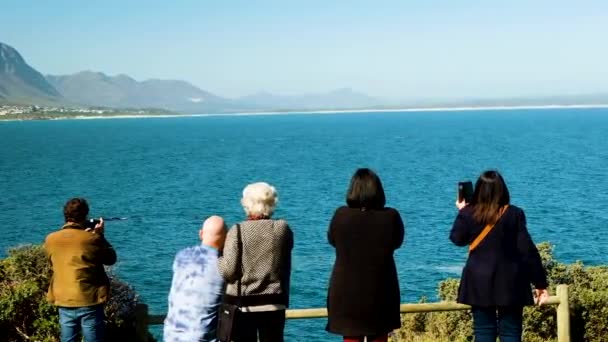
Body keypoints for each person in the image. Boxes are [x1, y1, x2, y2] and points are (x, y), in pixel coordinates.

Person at [450, 170, 549, 342]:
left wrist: (462, 211)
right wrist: (540, 283)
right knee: (511, 332)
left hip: (478, 281)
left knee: (482, 331)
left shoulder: (468, 213)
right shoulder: (514, 214)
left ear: (478, 190)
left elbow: (457, 239)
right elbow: (527, 251)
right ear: (502, 190)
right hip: (511, 281)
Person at [326, 168, 405, 342]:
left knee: (351, 336)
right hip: (381, 289)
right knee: (379, 336)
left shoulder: (341, 215)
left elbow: (332, 240)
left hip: (346, 290)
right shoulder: (391, 216)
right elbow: (397, 242)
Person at [218, 182, 293, 342]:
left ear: (247, 204)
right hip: (274, 303)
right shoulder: (282, 228)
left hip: (243, 305)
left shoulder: (237, 231)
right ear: (271, 202)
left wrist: (218, 259)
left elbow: (228, 272)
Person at [44, 198, 117, 342]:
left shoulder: (50, 239)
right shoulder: (92, 239)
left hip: (64, 299)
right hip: (88, 299)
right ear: (85, 216)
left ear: (66, 215)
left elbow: (53, 261)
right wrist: (100, 235)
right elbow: (110, 258)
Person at [164, 215, 227, 342]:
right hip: (200, 338)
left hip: (171, 334)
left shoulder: (181, 256)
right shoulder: (222, 265)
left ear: (201, 234)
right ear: (226, 239)